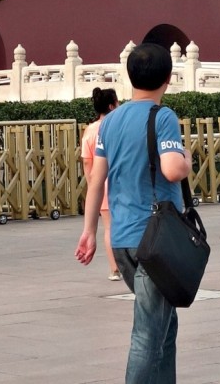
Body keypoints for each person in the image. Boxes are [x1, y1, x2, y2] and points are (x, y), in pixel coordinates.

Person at [75, 43, 192, 384]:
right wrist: (186, 158)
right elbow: (172, 170)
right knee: (147, 333)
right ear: (168, 79)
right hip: (156, 240)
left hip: (124, 241)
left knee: (164, 325)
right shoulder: (163, 116)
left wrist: (89, 231)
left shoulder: (110, 122)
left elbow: (97, 181)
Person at [80, 86, 120, 281]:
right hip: (118, 180)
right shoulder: (116, 126)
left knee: (108, 227)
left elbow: (87, 160)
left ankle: (114, 268)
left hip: (99, 183)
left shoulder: (90, 130)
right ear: (112, 105)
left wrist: (91, 184)